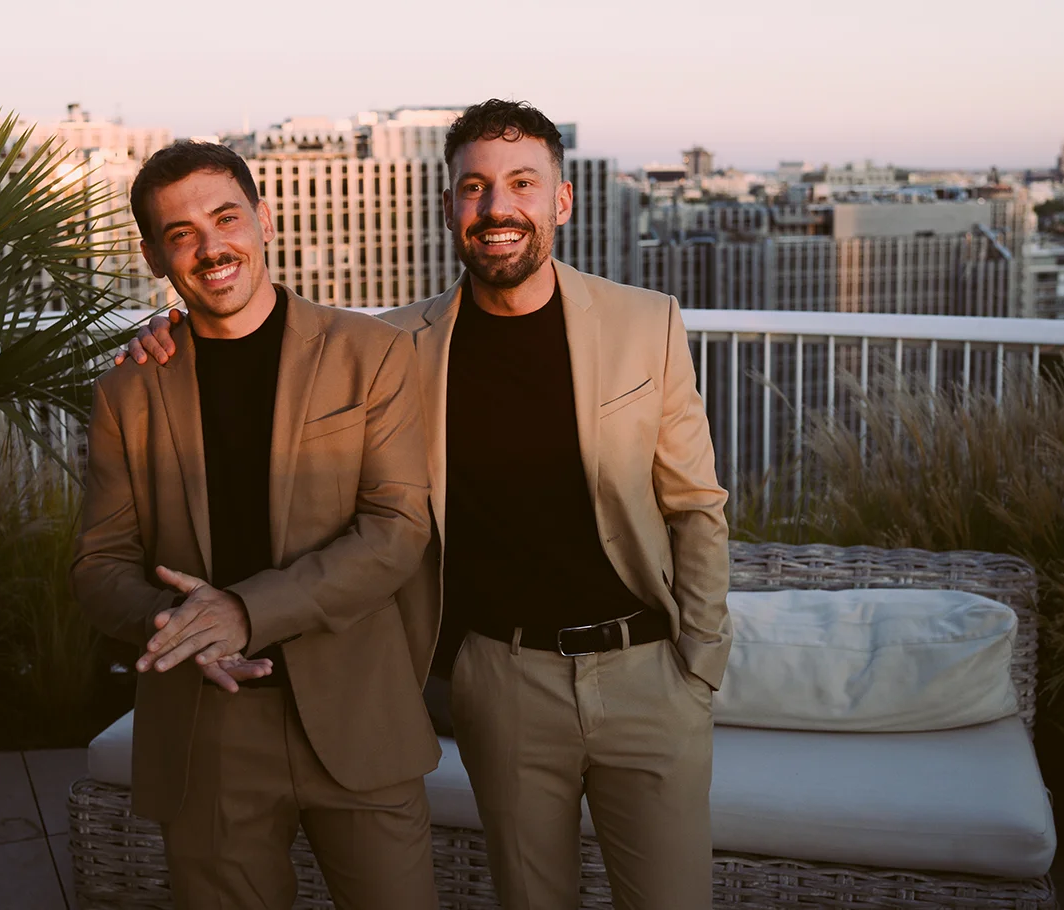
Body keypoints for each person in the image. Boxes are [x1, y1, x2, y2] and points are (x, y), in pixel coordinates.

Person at [122, 101, 731, 910]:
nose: (496, 207)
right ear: (448, 207)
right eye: (474, 188)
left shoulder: (644, 322)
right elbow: (274, 340)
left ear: (561, 200)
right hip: (501, 680)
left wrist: (700, 662)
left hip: (647, 670)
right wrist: (166, 332)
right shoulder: (395, 346)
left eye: (521, 183)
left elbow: (694, 506)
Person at [74, 140, 441, 910]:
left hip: (356, 708)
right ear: (153, 256)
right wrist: (181, 626)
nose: (211, 248)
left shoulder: (371, 354)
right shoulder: (126, 392)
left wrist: (243, 612)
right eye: (180, 234)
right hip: (207, 726)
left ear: (263, 220)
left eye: (225, 218)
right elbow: (98, 568)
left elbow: (397, 529)